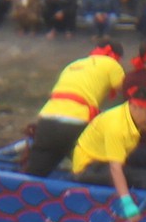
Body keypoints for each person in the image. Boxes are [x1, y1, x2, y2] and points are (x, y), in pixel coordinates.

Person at [69, 88, 146, 212]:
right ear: (134, 106)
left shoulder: (144, 115)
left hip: (111, 156)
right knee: (145, 179)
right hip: (89, 167)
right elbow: (115, 168)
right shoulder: (116, 127)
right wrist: (127, 204)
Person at [22, 42, 126, 178]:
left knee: (35, 171)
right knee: (95, 168)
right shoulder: (112, 64)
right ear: (117, 57)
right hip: (77, 121)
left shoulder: (73, 65)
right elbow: (128, 94)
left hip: (46, 119)